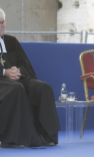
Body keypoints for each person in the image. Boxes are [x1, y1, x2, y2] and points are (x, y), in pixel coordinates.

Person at [0, 8, 60, 148]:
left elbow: (24, 63)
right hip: (2, 81)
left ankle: (45, 135)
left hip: (16, 79)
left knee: (43, 87)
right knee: (16, 89)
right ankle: (12, 139)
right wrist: (4, 72)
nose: (3, 25)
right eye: (0, 22)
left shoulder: (11, 41)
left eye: (4, 21)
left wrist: (17, 71)